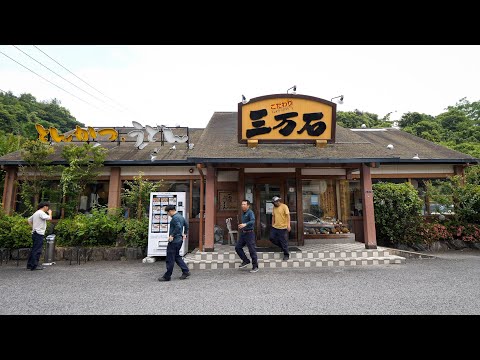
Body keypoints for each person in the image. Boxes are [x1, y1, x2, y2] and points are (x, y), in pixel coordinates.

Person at [158, 205, 191, 281]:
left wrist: (172, 235)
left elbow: (178, 227)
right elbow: (186, 225)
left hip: (174, 241)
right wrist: (185, 233)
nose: (168, 214)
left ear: (170, 211)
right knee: (176, 256)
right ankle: (185, 271)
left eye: (167, 212)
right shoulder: (180, 216)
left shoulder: (175, 218)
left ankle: (167, 276)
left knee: (170, 258)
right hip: (179, 240)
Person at [27, 201, 52, 271]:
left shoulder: (36, 213)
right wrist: (50, 213)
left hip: (35, 232)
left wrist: (33, 227)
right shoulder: (41, 213)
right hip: (39, 233)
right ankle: (34, 265)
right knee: (37, 250)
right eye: (47, 207)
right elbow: (49, 218)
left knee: (34, 249)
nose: (48, 208)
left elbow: (29, 220)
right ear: (44, 207)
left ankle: (30, 264)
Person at [235, 199, 258, 273]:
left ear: (248, 205)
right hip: (243, 233)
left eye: (244, 204)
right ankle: (246, 261)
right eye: (242, 204)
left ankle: (255, 267)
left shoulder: (250, 212)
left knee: (252, 250)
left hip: (249, 234)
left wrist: (245, 224)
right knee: (237, 247)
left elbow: (253, 221)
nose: (243, 206)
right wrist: (242, 226)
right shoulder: (243, 213)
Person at [269, 196, 291, 261]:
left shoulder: (284, 206)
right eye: (273, 203)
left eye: (274, 203)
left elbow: (288, 216)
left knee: (283, 241)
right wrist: (272, 224)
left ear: (278, 201)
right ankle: (282, 246)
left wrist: (288, 225)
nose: (274, 204)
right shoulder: (274, 208)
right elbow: (273, 216)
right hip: (275, 227)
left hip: (283, 227)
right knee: (271, 238)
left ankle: (286, 254)